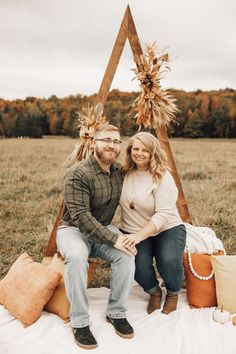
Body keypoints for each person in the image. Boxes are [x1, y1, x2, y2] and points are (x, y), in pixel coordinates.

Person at [56, 124, 136, 350]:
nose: (112, 145)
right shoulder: (77, 174)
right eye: (106, 140)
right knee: (77, 256)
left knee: (127, 254)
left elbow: (145, 173)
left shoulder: (119, 172)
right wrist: (115, 238)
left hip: (103, 227)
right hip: (73, 230)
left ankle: (116, 313)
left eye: (116, 141)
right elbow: (81, 218)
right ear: (93, 143)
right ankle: (80, 322)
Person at [120, 132, 186, 315]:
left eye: (145, 150)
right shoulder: (123, 172)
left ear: (153, 153)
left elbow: (163, 215)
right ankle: (154, 292)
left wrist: (138, 236)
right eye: (136, 149)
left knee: (168, 260)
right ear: (130, 150)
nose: (139, 153)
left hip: (167, 228)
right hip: (132, 228)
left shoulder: (162, 176)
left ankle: (173, 293)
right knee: (137, 265)